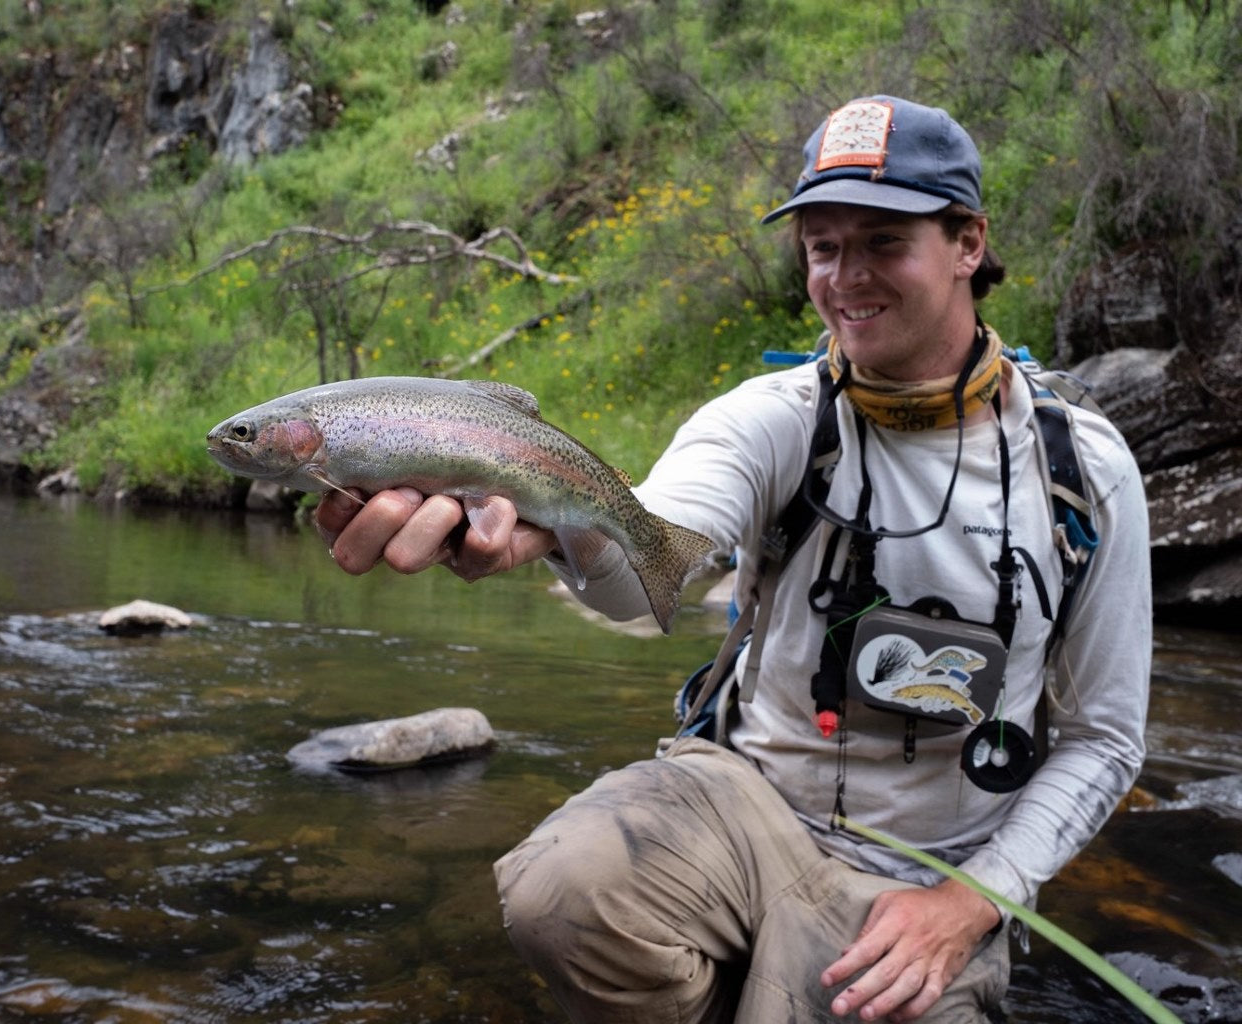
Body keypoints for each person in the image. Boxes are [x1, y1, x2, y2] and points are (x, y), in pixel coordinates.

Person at [315, 95, 1151, 1023]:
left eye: (883, 242)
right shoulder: (774, 418)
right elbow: (655, 559)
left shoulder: (1083, 470)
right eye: (823, 247)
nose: (846, 277)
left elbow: (1105, 738)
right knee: (563, 889)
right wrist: (555, 532)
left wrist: (974, 901)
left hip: (934, 875)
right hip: (747, 803)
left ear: (968, 243)